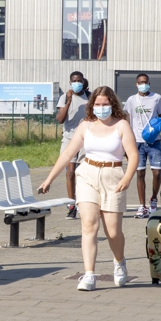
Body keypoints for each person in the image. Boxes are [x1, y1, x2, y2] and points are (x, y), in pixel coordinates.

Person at [40, 87, 138, 291]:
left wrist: (128, 177)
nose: (101, 108)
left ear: (113, 104)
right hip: (87, 174)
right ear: (92, 105)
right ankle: (89, 274)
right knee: (89, 224)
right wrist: (49, 179)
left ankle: (119, 263)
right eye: (98, 104)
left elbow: (133, 155)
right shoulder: (85, 125)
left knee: (112, 231)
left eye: (105, 104)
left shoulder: (122, 125)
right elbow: (68, 153)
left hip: (114, 177)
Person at [124, 73, 161, 219]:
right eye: (140, 82)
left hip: (154, 141)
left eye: (145, 82)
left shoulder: (157, 98)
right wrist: (126, 144)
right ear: (136, 84)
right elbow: (128, 121)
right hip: (137, 141)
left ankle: (153, 198)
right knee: (140, 173)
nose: (143, 84)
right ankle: (142, 206)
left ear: (149, 83)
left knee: (156, 172)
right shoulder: (131, 100)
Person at [56, 71, 91, 219]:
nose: (76, 83)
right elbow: (60, 119)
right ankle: (72, 205)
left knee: (83, 174)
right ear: (70, 83)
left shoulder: (89, 97)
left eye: (79, 80)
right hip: (69, 139)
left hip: (86, 139)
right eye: (74, 81)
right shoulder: (65, 97)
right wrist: (68, 102)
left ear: (83, 81)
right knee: (70, 172)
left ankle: (85, 203)